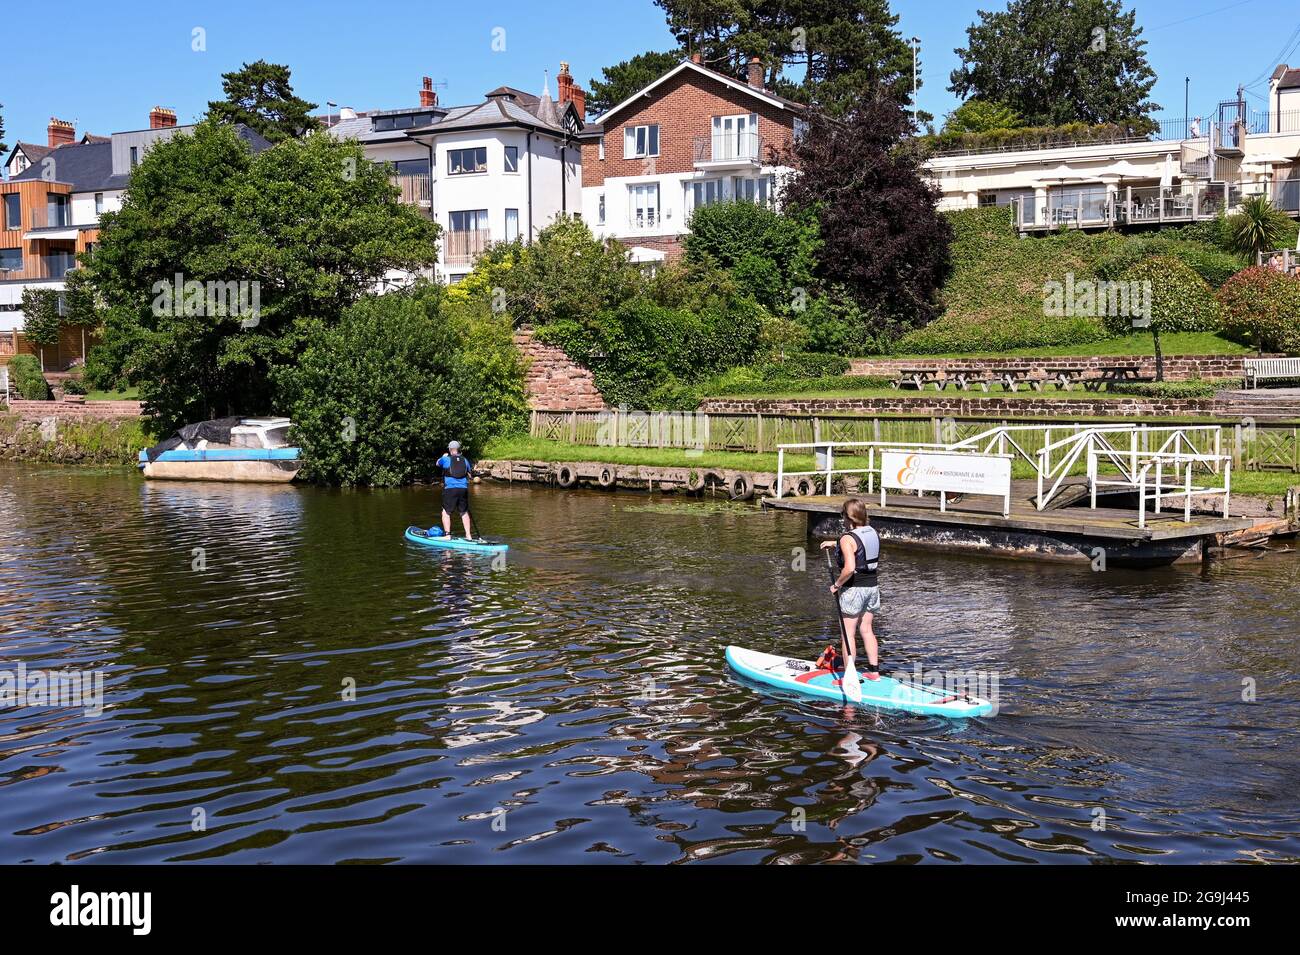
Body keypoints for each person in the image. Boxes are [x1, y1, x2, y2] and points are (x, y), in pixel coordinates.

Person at [820, 497, 882, 681]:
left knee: (847, 634)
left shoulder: (847, 538)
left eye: (843, 516)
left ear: (849, 517)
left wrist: (836, 585)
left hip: (854, 589)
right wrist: (836, 543)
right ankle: (874, 672)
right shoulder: (872, 531)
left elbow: (849, 568)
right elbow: (859, 545)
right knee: (867, 630)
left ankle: (849, 677)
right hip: (872, 588)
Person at [435, 441, 476, 540]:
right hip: (463, 489)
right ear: (459, 449)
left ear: (450, 449)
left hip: (450, 489)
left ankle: (448, 535)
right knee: (464, 512)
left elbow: (437, 463)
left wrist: (442, 456)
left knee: (446, 512)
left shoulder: (445, 459)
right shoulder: (465, 460)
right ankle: (468, 535)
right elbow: (469, 474)